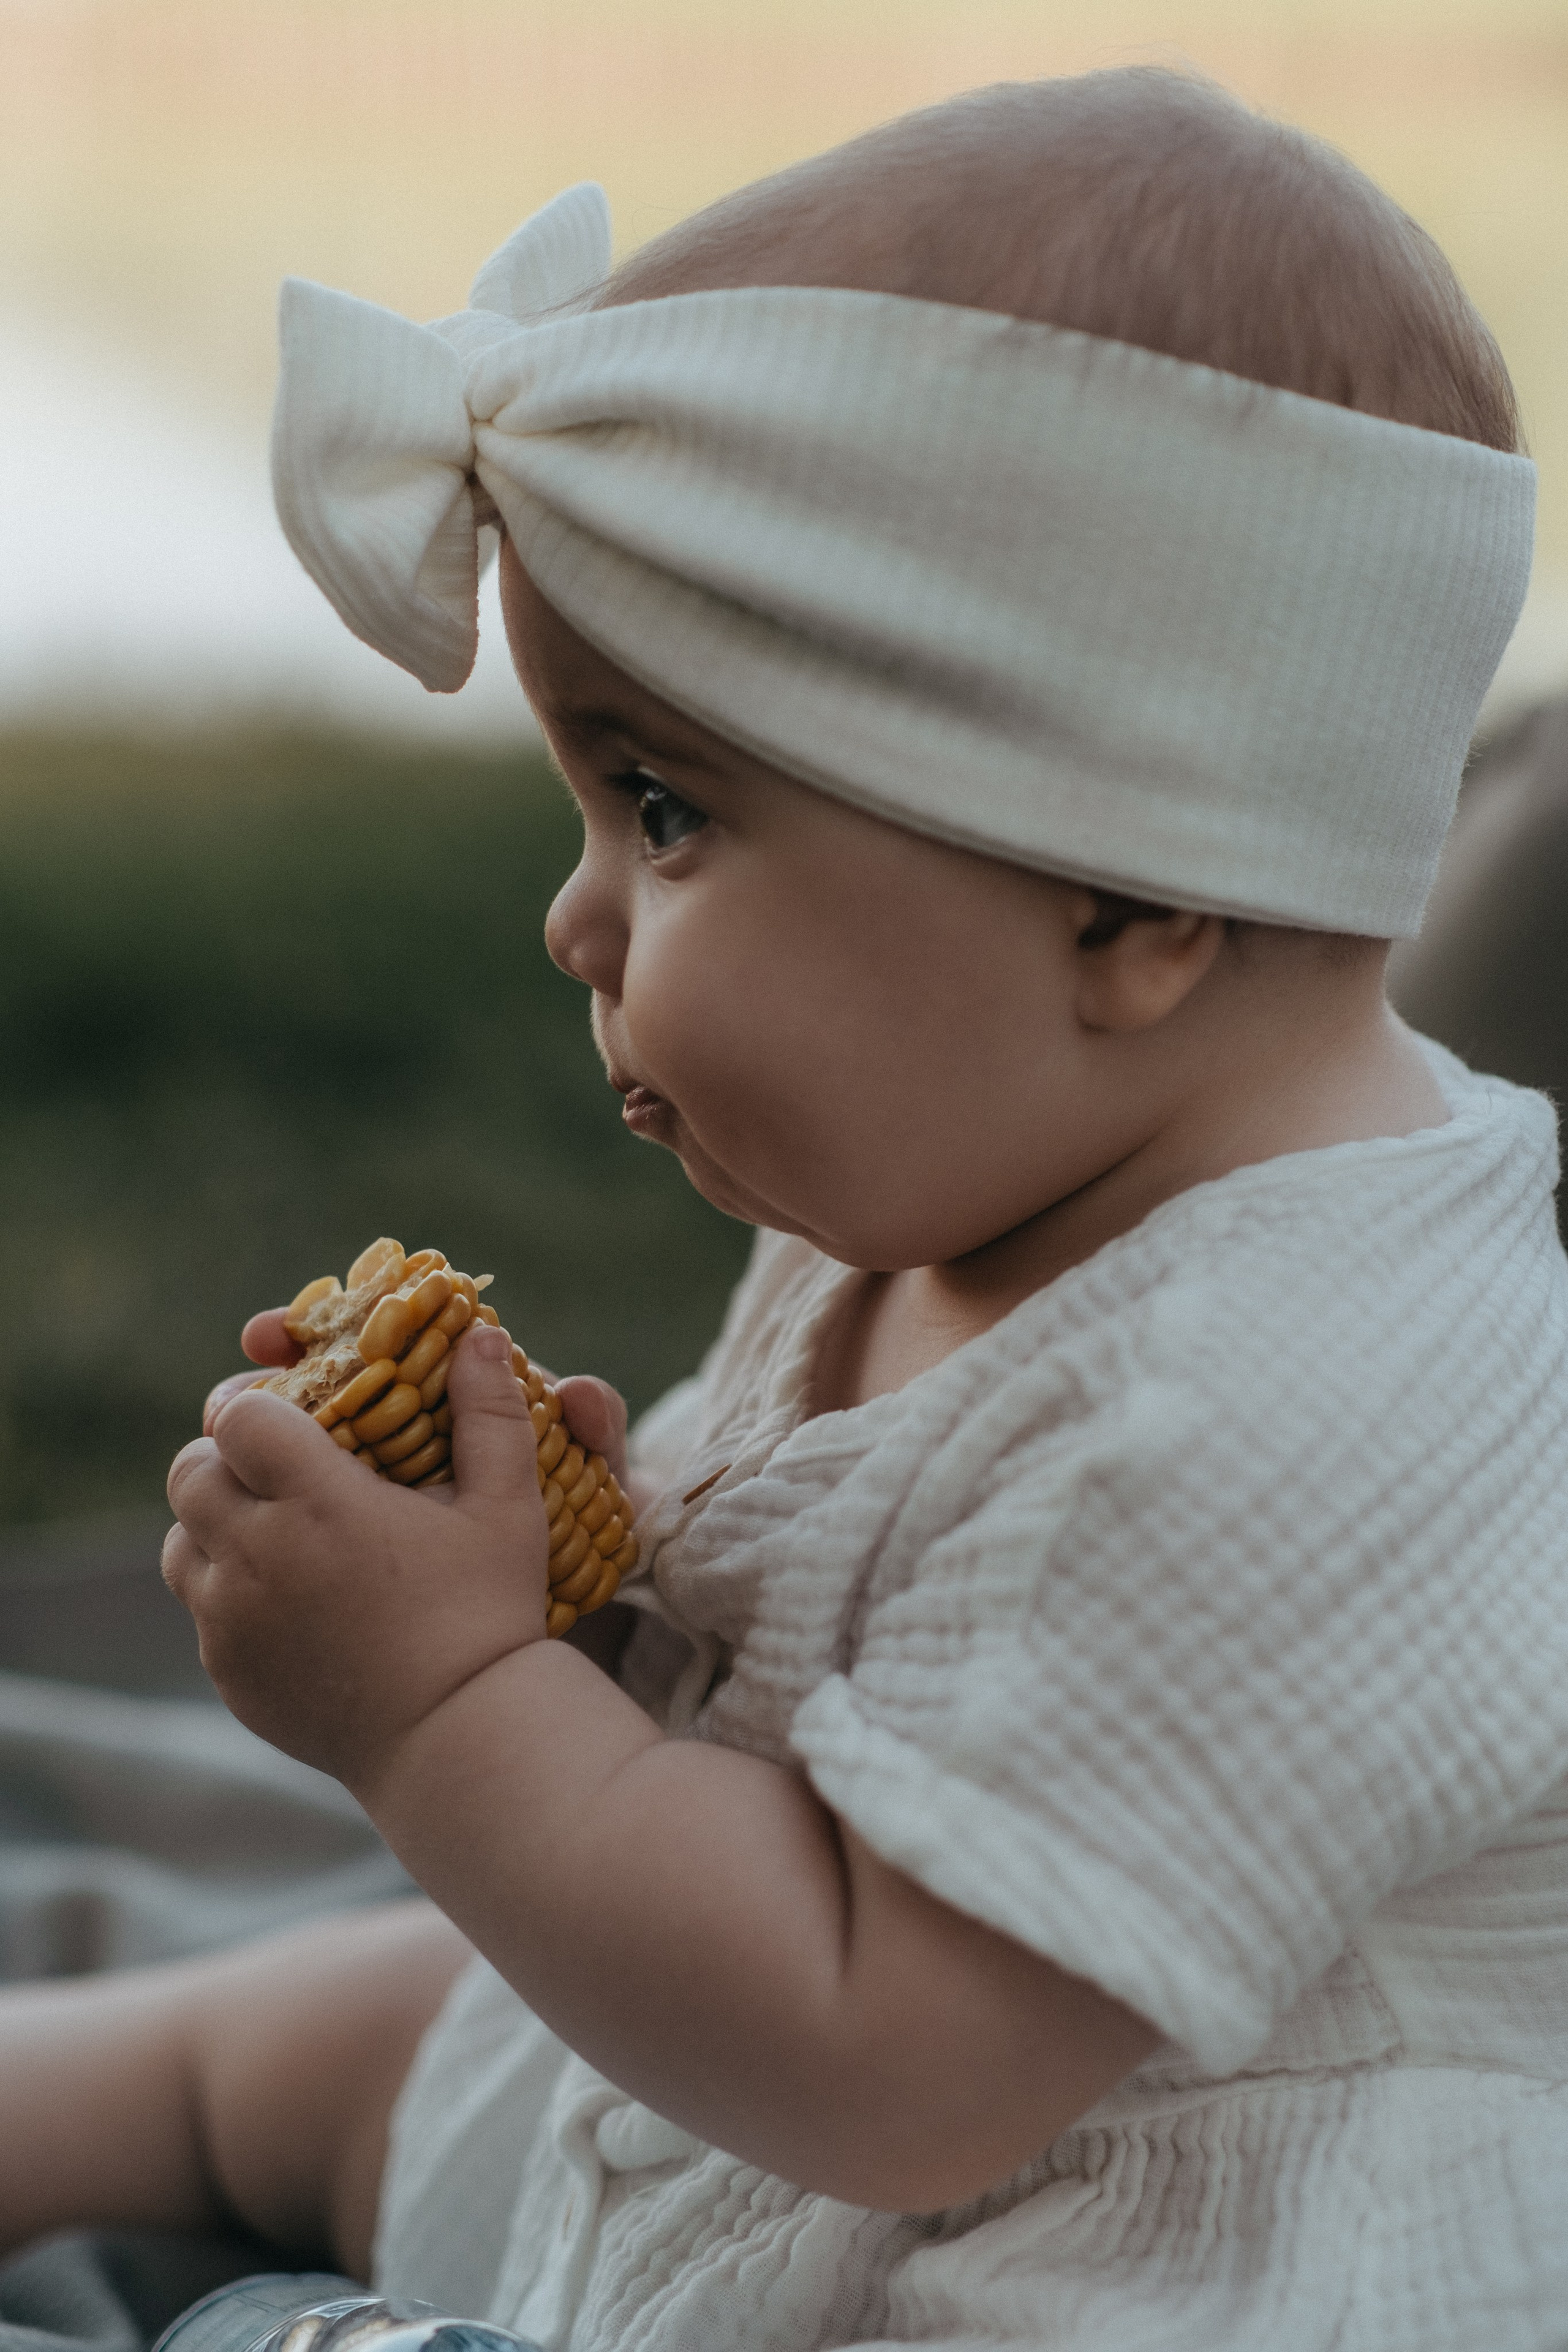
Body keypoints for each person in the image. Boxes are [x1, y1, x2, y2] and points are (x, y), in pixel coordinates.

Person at [9, 64, 1568, 2352]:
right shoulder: (979, 1181)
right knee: (352, 2025)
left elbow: (897, 2064)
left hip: (1100, 2249)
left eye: (665, 812)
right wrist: (577, 1611)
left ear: (1129, 899)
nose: (575, 921)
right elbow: (798, 1732)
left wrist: (445, 1711)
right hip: (758, 2122)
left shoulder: (1312, 1400)